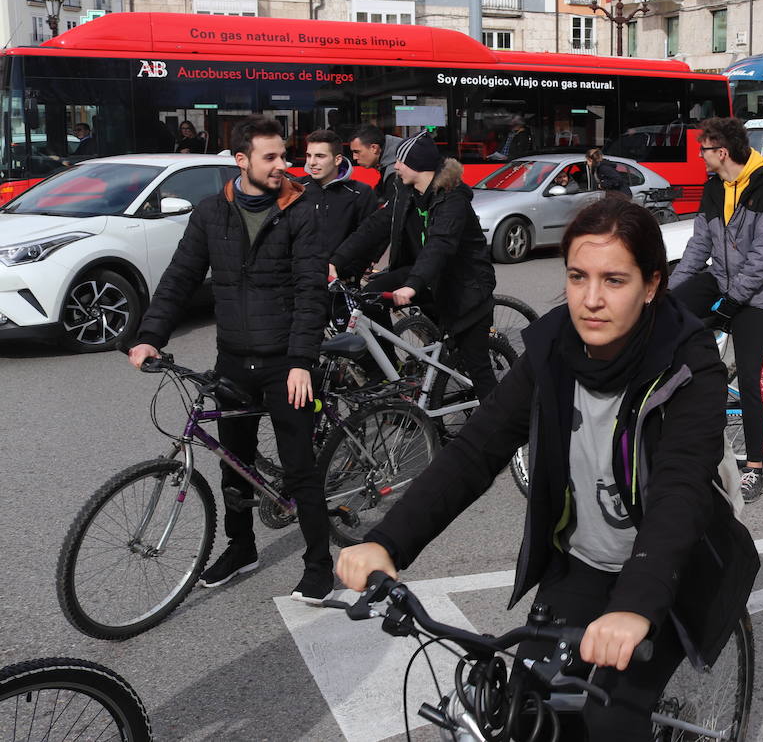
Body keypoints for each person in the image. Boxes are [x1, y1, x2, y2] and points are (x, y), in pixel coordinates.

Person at [334, 197, 758, 740]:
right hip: (580, 562)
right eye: (578, 277)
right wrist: (388, 542)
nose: (591, 300)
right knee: (526, 712)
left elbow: (679, 492)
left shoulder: (688, 364)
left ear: (651, 285)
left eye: (615, 280)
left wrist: (634, 606)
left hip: (668, 570)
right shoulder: (553, 346)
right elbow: (475, 451)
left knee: (608, 720)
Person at [126, 116, 333, 599]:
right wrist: (149, 335)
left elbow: (310, 292)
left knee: (299, 466)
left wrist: (302, 359)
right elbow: (179, 277)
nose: (284, 165)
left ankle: (319, 561)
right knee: (233, 464)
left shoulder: (300, 211)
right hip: (234, 360)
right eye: (271, 157)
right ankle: (241, 547)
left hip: (286, 362)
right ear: (241, 161)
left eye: (285, 155)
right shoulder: (209, 213)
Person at [669, 117, 763, 503]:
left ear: (721, 152)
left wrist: (731, 303)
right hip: (720, 281)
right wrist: (669, 294)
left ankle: (754, 467)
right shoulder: (714, 188)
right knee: (669, 317)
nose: (699, 156)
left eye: (703, 149)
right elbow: (697, 249)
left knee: (751, 380)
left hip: (757, 297)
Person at [330, 134, 499, 397]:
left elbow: (440, 244)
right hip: (425, 276)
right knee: (369, 297)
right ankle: (392, 370)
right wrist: (336, 261)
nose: (395, 166)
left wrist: (412, 286)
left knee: (477, 368)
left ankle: (502, 426)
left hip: (463, 285)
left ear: (419, 165)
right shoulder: (405, 191)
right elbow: (374, 227)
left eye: (400, 161)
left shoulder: (453, 200)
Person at [302, 129, 378, 257]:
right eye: (309, 155)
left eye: (320, 156)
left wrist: (348, 271)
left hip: (342, 274)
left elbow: (369, 239)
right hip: (300, 273)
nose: (311, 163)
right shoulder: (295, 189)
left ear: (337, 160)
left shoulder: (361, 193)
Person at [349, 125, 402, 191]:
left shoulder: (395, 172)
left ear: (374, 148)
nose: (354, 157)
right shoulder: (390, 163)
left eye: (357, 152)